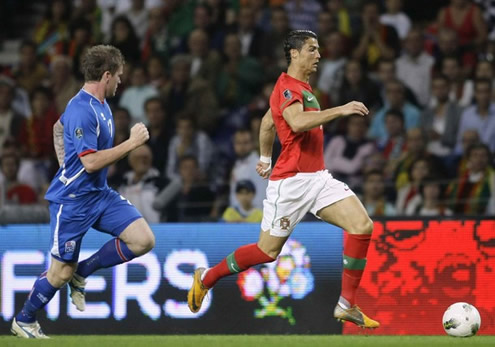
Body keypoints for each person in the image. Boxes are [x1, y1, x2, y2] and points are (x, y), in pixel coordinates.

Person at [187, 30, 379, 329]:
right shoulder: (288, 87)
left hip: (317, 178)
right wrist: (341, 109)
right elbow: (297, 122)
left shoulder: (300, 87)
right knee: (267, 252)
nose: (319, 55)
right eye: (313, 49)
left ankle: (346, 303)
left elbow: (267, 122)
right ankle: (207, 278)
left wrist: (264, 158)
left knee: (362, 226)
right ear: (294, 53)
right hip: (290, 183)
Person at [10, 45, 155, 339]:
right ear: (106, 75)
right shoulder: (82, 109)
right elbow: (89, 162)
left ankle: (83, 272)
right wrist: (131, 143)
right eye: (118, 76)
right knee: (59, 273)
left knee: (143, 240)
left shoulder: (99, 105)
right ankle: (24, 319)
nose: (120, 81)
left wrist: (65, 163)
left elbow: (57, 128)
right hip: (73, 202)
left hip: (99, 195)